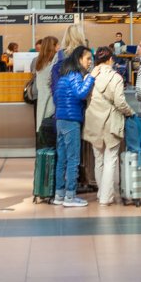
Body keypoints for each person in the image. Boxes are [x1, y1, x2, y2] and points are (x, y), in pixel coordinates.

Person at [84, 46, 135, 208]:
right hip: (111, 121)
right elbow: (120, 102)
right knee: (111, 158)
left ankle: (101, 193)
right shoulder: (116, 77)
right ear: (110, 59)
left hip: (93, 121)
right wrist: (130, 112)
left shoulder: (89, 76)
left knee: (98, 159)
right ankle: (106, 196)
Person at [53, 46, 95, 208]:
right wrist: (90, 79)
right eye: (88, 59)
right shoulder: (77, 76)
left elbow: (56, 98)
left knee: (62, 159)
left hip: (60, 120)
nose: (90, 62)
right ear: (79, 59)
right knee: (73, 159)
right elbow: (80, 93)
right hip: (71, 121)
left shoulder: (63, 76)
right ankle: (70, 196)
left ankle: (59, 194)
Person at [32, 35, 59, 141]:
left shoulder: (39, 62)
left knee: (43, 134)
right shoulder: (54, 64)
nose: (59, 47)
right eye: (57, 45)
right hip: (50, 103)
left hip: (42, 101)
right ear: (53, 47)